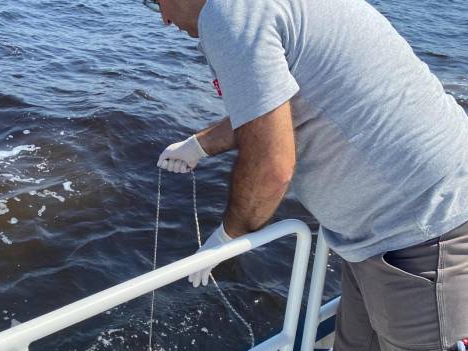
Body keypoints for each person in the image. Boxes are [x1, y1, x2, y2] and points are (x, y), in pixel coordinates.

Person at [144, 0, 468, 350]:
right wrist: (200, 145)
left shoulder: (229, 13)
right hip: (376, 235)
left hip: (422, 229)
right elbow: (274, 108)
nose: (164, 19)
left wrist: (227, 237)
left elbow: (272, 167)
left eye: (157, 2)